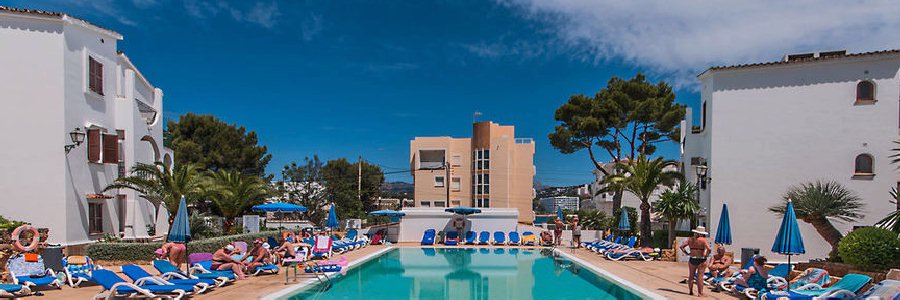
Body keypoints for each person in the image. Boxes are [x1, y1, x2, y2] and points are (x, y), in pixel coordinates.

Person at [679, 226, 711, 297]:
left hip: (692, 258)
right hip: (701, 259)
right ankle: (700, 293)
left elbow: (681, 247)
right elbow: (709, 249)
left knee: (691, 276)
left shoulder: (690, 239)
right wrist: (706, 255)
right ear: (702, 233)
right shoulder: (703, 240)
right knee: (700, 276)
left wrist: (687, 253)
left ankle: (690, 291)